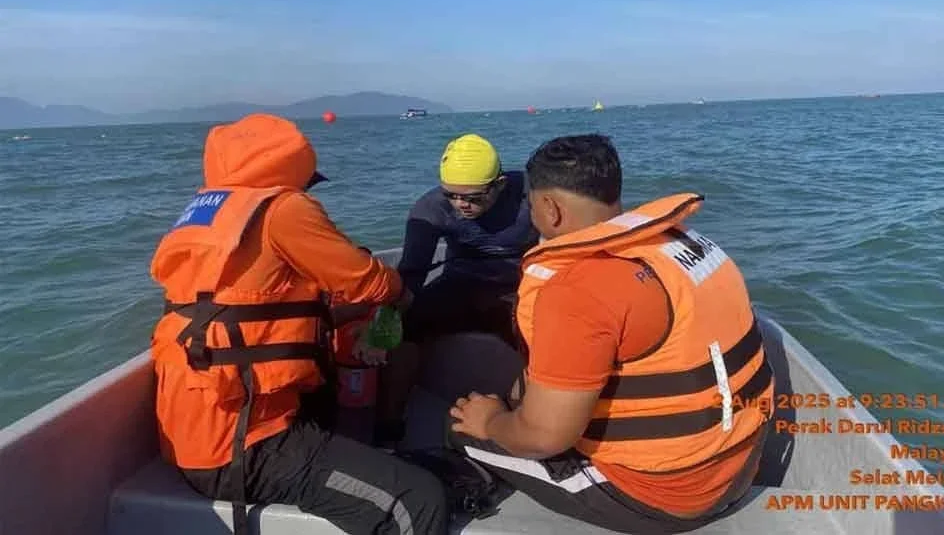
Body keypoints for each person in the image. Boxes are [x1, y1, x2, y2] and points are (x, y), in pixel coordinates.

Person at [448, 134, 776, 534]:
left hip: (663, 498)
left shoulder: (575, 289)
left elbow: (542, 438)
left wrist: (491, 421)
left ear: (549, 209)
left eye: (531, 205)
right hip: (742, 465)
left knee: (461, 426)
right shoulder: (686, 243)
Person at [148, 113, 448, 535]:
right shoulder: (283, 209)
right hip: (243, 446)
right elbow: (364, 279)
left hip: (200, 431)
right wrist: (400, 294)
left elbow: (252, 311)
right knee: (417, 499)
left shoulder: (207, 213)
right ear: (289, 174)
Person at [396, 133, 539, 345]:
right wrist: (386, 321)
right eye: (451, 195)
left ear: (500, 184)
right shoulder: (432, 208)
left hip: (520, 285)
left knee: (544, 327)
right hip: (460, 282)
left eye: (473, 198)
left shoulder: (533, 194)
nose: (461, 204)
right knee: (404, 324)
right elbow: (412, 273)